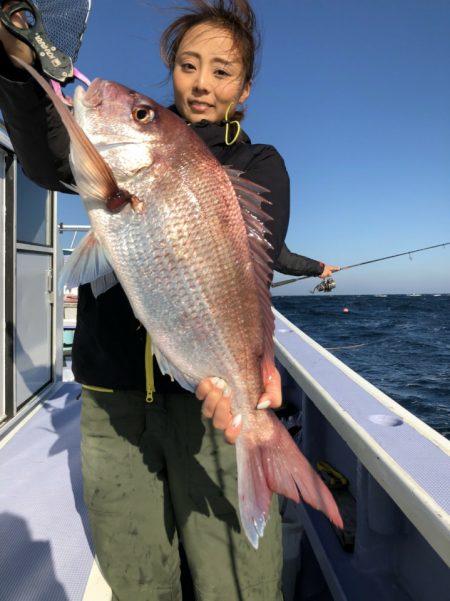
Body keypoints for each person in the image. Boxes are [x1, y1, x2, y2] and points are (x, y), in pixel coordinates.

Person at [0, 1, 308, 599]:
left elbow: (252, 277)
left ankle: (261, 455)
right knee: (138, 577)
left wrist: (258, 371)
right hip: (114, 401)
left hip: (202, 402)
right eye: (189, 65)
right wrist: (16, 69)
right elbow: (40, 158)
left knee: (238, 582)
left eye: (222, 71)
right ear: (173, 69)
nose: (202, 82)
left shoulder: (259, 163)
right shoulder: (129, 140)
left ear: (243, 89)